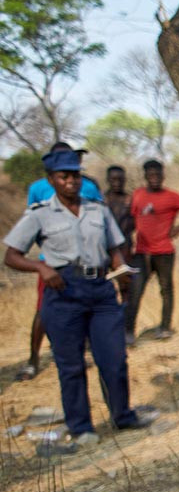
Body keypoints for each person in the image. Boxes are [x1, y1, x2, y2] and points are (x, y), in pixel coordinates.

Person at [3, 149, 160, 446]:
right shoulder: (39, 213)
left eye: (75, 175)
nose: (72, 181)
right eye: (64, 177)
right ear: (51, 180)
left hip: (100, 289)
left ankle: (123, 416)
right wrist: (40, 267)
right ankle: (81, 427)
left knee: (113, 358)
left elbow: (114, 247)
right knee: (71, 364)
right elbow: (11, 255)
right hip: (63, 290)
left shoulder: (97, 209)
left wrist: (120, 269)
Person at [17, 142, 105, 382]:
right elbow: (32, 226)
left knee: (87, 310)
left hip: (88, 263)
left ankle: (77, 353)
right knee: (44, 311)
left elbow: (102, 219)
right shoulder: (37, 188)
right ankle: (33, 359)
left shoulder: (90, 186)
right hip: (53, 265)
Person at [125, 159, 179, 343]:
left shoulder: (172, 196)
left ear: (163, 175)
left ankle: (165, 327)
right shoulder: (138, 195)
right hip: (142, 251)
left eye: (158, 175)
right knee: (136, 289)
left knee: (166, 289)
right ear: (146, 176)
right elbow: (132, 219)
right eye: (151, 175)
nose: (154, 178)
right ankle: (128, 331)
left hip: (164, 251)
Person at [103, 165, 134, 303]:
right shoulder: (101, 201)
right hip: (103, 248)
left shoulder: (129, 200)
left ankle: (126, 321)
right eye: (113, 179)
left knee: (125, 284)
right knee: (103, 283)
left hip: (125, 247)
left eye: (120, 180)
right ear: (108, 180)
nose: (117, 183)